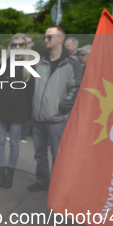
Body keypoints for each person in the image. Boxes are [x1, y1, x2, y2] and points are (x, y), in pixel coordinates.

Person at [28, 25, 82, 192]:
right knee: (39, 154)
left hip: (57, 120)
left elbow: (76, 89)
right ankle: (43, 181)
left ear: (60, 38)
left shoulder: (72, 64)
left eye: (49, 37)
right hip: (37, 118)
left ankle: (59, 186)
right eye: (45, 37)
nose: (45, 40)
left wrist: (60, 108)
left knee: (59, 156)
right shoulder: (39, 61)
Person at [0, 34, 35, 189]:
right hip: (0, 110)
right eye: (15, 45)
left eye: (21, 45)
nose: (17, 48)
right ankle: (1, 174)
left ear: (25, 47)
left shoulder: (29, 67)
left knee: (14, 143)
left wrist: (28, 115)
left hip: (18, 112)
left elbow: (30, 94)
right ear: (11, 47)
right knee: (0, 141)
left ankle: (10, 175)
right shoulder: (1, 64)